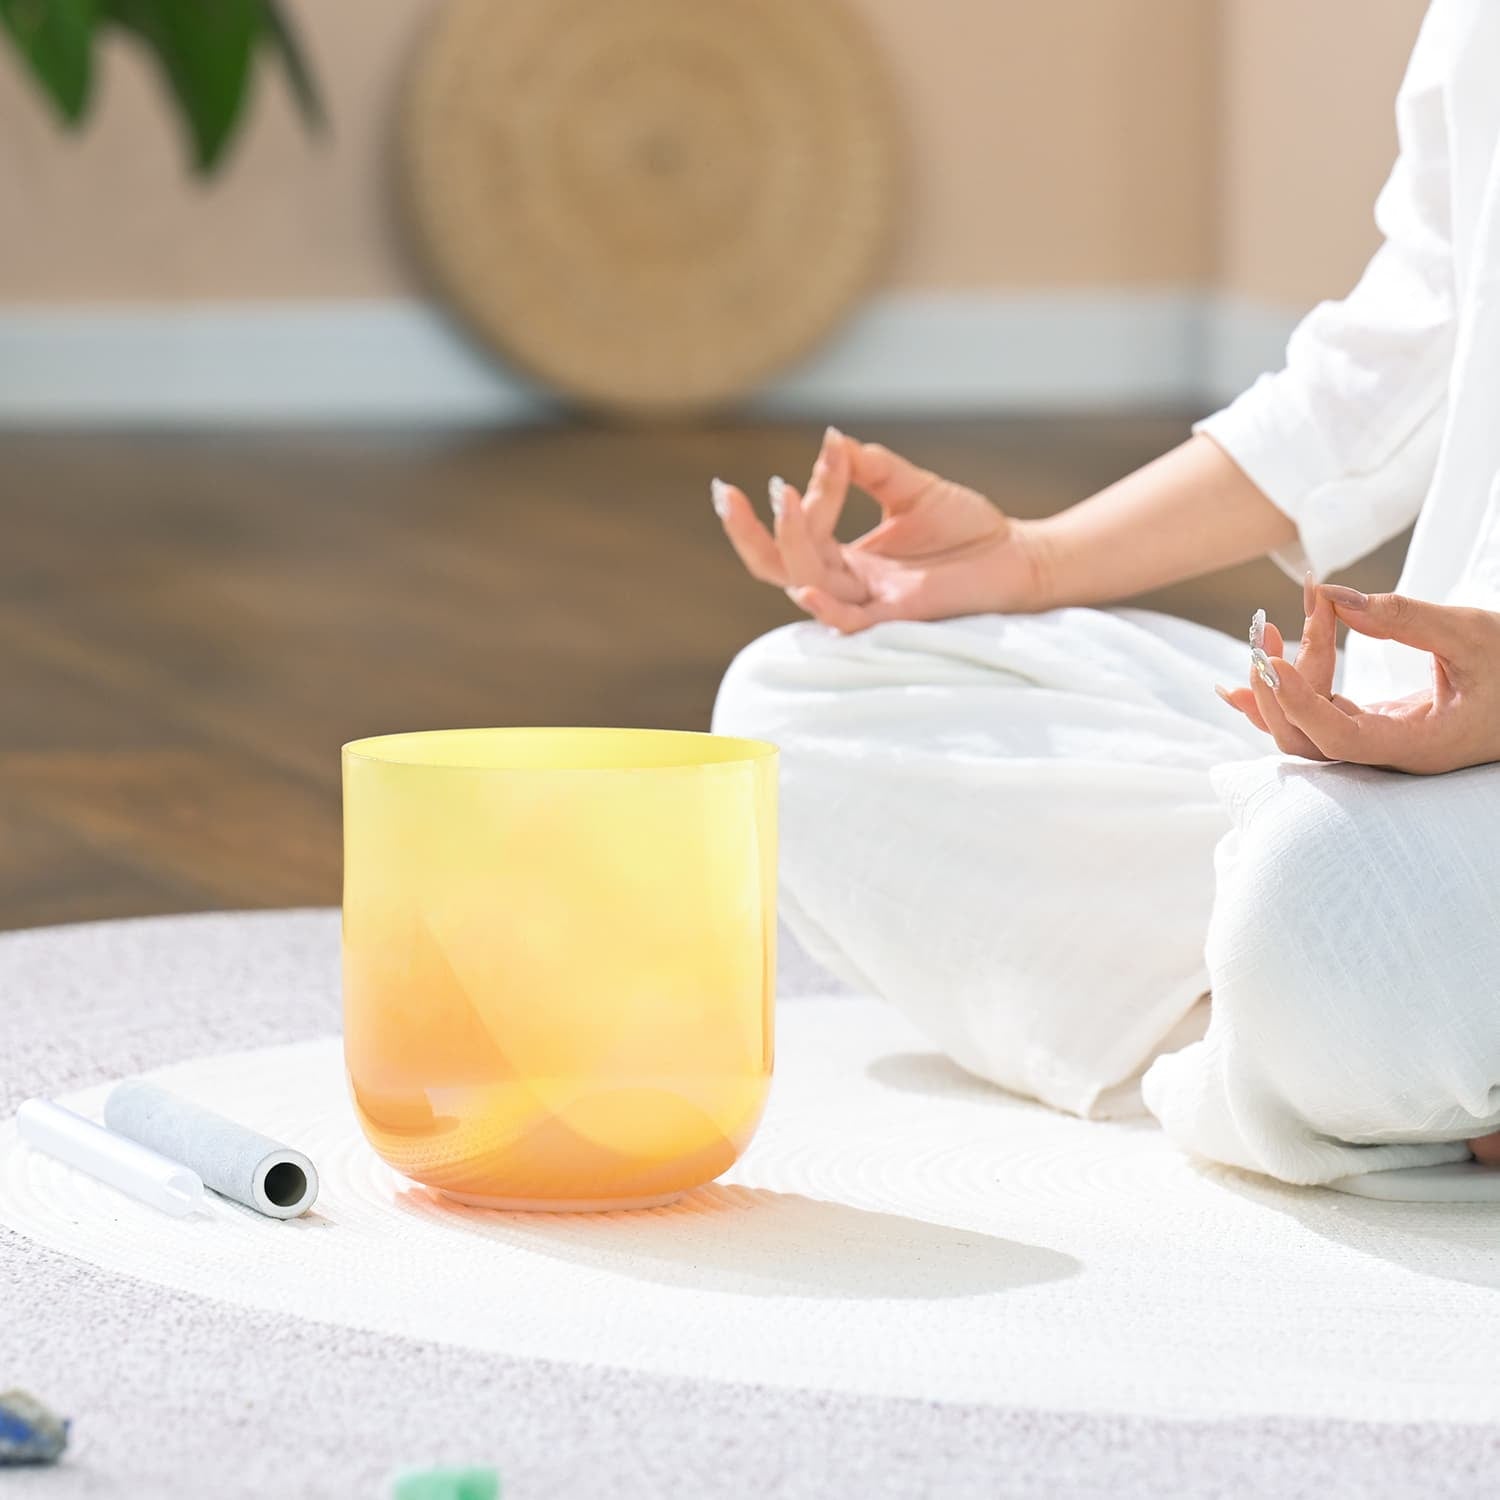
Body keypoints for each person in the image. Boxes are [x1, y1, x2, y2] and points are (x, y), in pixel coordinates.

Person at [708, 0, 1500, 1191]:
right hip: (1421, 769)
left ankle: (1358, 1017)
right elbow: (1398, 360)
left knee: (1319, 898)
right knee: (794, 706)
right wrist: (1030, 560)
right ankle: (1381, 1036)